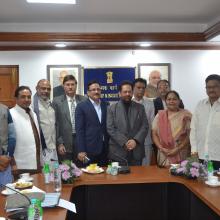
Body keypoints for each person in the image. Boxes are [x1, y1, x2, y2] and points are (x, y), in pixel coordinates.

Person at [107, 81, 148, 166]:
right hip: (118, 152)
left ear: (132, 92)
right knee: (118, 178)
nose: (127, 94)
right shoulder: (111, 108)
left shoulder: (140, 108)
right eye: (125, 92)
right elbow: (110, 128)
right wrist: (125, 142)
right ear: (120, 93)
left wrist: (135, 141)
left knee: (137, 178)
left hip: (136, 150)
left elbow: (145, 126)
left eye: (129, 91)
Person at [152, 90, 191, 166]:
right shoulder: (160, 115)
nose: (171, 101)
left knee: (180, 175)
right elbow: (154, 133)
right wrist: (161, 148)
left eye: (174, 99)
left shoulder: (186, 115)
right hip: (164, 152)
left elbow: (190, 135)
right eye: (169, 99)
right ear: (165, 101)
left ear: (179, 101)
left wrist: (178, 148)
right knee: (163, 175)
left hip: (181, 151)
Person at [53, 75, 86, 162]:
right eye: (67, 84)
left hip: (81, 140)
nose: (70, 87)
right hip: (65, 141)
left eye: (72, 84)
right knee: (66, 170)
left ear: (76, 85)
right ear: (63, 86)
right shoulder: (57, 101)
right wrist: (60, 143)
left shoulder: (84, 100)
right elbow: (56, 124)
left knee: (82, 168)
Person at [75, 80, 109, 167]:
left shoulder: (106, 105)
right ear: (88, 92)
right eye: (93, 90)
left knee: (104, 176)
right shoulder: (81, 106)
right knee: (90, 177)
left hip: (104, 149)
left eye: (98, 89)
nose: (96, 91)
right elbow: (79, 130)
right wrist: (81, 150)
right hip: (89, 149)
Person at [190, 74, 220, 170]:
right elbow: (193, 129)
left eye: (215, 86)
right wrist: (194, 151)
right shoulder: (200, 105)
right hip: (201, 156)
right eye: (208, 87)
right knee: (201, 184)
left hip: (218, 156)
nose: (211, 90)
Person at [10, 86, 41, 173]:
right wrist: (12, 163)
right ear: (16, 98)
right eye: (23, 97)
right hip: (20, 165)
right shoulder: (10, 114)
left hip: (36, 162)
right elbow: (6, 141)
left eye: (29, 97)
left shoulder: (33, 113)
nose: (27, 99)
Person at [33, 79, 58, 163]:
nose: (46, 91)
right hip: (41, 149)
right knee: (43, 174)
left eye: (48, 89)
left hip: (53, 148)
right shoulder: (32, 106)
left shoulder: (51, 105)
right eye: (43, 88)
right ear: (37, 88)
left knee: (54, 173)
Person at [132, 78, 154, 165]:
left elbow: (151, 122)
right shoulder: (128, 102)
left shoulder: (150, 103)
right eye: (138, 87)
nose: (141, 90)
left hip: (146, 140)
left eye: (143, 88)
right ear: (133, 88)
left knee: (146, 167)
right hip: (132, 141)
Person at [0, 103, 16, 186]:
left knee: (6, 192)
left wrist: (8, 156)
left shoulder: (5, 109)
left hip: (5, 160)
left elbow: (12, 136)